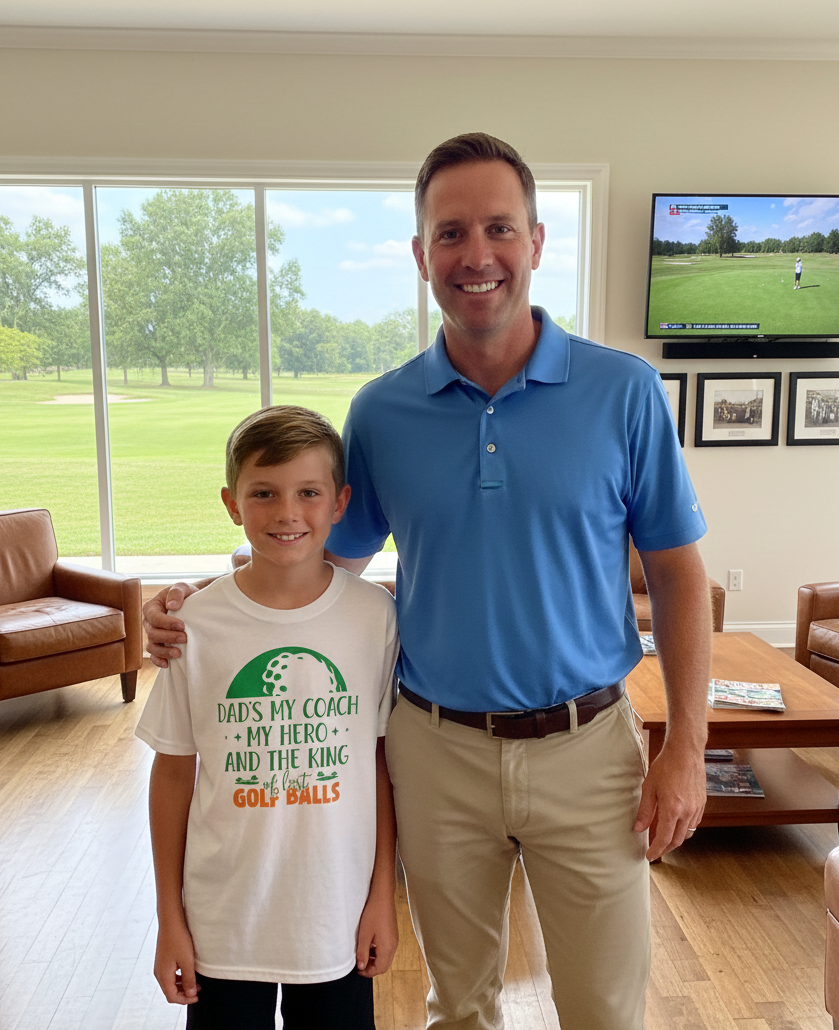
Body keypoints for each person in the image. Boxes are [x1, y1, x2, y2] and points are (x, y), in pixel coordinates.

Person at [145, 133, 712, 1030]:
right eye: (450, 233)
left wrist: (687, 745)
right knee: (459, 1006)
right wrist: (199, 605)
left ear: (534, 240)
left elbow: (678, 574)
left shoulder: (624, 392)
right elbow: (318, 564)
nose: (474, 255)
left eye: (497, 228)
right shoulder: (381, 411)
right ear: (419, 255)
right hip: (434, 752)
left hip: (589, 748)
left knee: (606, 1008)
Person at [136, 405, 399, 1030]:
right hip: (222, 925)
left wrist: (381, 897)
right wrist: (169, 919)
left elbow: (382, 765)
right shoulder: (191, 626)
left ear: (340, 503)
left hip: (335, 920)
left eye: (308, 493)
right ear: (232, 503)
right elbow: (173, 775)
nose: (287, 513)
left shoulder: (374, 617)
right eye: (264, 494)